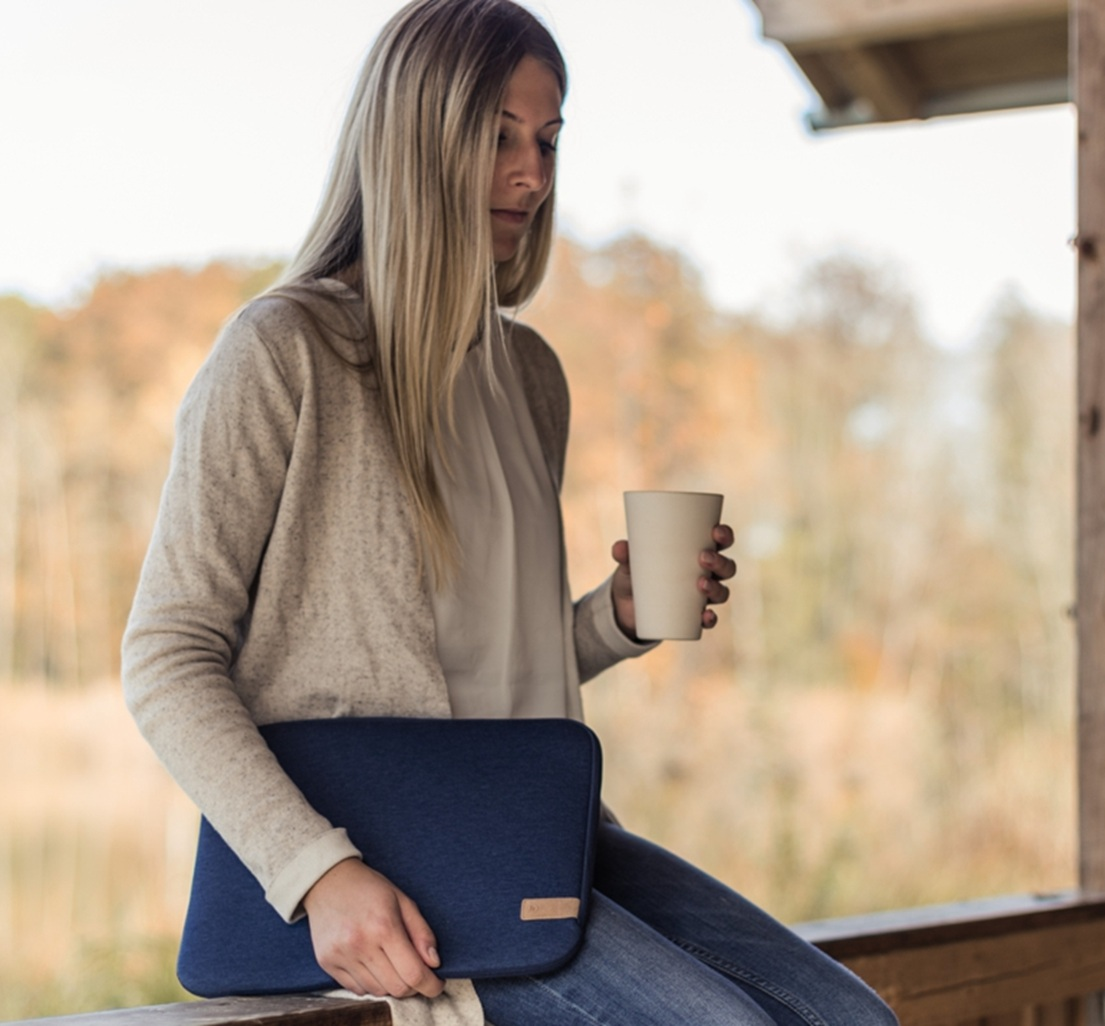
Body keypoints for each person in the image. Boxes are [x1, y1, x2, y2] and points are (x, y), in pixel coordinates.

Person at [122, 2, 899, 1025]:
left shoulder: (530, 376)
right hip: (393, 864)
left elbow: (486, 668)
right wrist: (317, 873)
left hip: (535, 830)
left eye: (546, 138)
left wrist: (614, 619)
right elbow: (167, 656)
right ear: (415, 137)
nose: (531, 173)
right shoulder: (286, 351)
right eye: (496, 136)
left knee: (854, 1018)